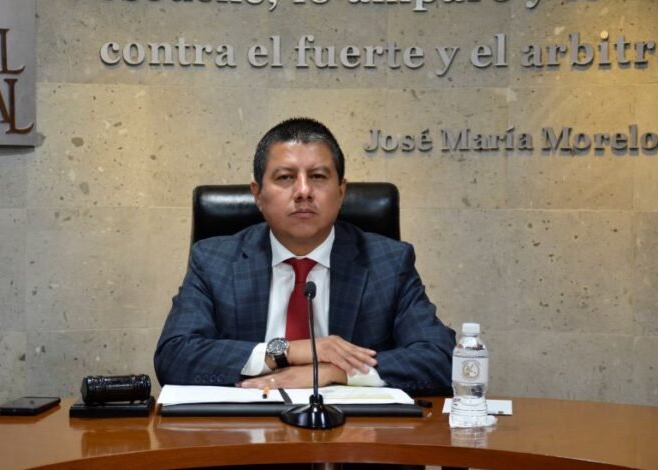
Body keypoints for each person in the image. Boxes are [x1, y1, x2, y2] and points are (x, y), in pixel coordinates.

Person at [154, 117, 455, 396]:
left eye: (318, 176)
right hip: (245, 429)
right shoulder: (214, 261)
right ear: (257, 194)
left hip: (351, 432)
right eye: (285, 177)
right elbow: (174, 356)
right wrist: (290, 351)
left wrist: (334, 372)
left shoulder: (388, 263)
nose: (303, 191)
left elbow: (441, 359)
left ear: (341, 192)